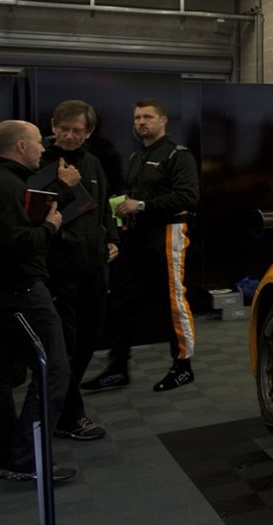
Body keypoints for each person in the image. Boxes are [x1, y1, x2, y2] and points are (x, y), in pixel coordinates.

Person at [0, 120, 74, 483]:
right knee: (53, 371)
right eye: (39, 143)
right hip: (20, 292)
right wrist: (51, 226)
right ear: (22, 146)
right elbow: (15, 243)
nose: (44, 149)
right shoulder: (8, 186)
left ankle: (5, 455)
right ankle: (25, 458)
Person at [84, 98, 200, 392]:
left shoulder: (177, 155)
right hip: (135, 237)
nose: (141, 122)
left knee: (173, 301)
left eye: (147, 117)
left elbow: (188, 197)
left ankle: (183, 366)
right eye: (137, 118)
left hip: (167, 233)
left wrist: (141, 205)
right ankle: (117, 368)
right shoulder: (136, 156)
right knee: (120, 299)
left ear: (163, 121)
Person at [40, 101, 116, 441]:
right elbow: (31, 212)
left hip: (95, 267)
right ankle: (70, 416)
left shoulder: (93, 162)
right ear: (53, 126)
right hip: (59, 270)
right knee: (64, 346)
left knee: (89, 339)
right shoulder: (40, 163)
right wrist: (63, 185)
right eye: (64, 128)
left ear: (89, 132)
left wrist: (112, 239)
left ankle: (61, 408)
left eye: (77, 130)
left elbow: (103, 209)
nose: (69, 136)